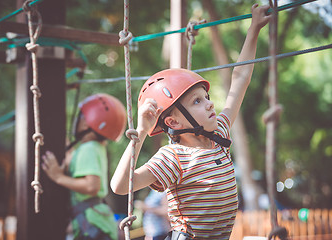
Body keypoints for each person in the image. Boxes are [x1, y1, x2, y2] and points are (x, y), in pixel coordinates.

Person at [110, 4, 270, 240]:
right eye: (196, 101)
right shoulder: (173, 157)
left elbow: (240, 79)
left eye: (206, 97)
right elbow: (121, 186)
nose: (209, 104)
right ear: (173, 122)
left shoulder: (219, 136)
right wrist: (141, 132)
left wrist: (254, 29)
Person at [42, 93, 127, 240]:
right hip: (94, 223)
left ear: (88, 122)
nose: (77, 120)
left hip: (93, 226)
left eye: (81, 116)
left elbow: (91, 186)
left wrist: (58, 177)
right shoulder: (93, 148)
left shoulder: (89, 148)